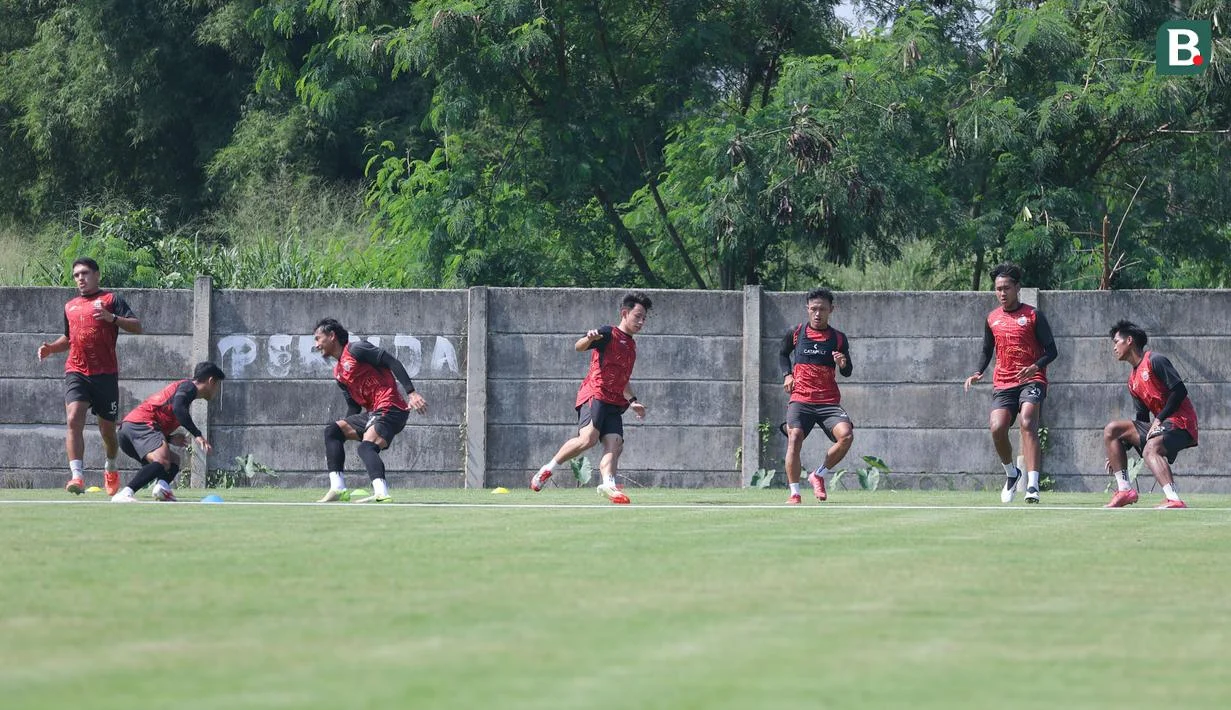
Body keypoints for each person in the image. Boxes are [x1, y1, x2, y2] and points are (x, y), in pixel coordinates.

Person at [530, 292, 652, 504]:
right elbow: (578, 347)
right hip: (595, 394)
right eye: (637, 316)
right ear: (624, 313)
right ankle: (548, 469)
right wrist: (589, 338)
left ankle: (609, 485)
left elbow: (622, 379)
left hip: (615, 401)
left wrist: (633, 401)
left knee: (615, 443)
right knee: (588, 439)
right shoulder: (607, 333)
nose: (641, 322)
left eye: (644, 318)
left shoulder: (631, 346)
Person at [37, 257, 143, 497]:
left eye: (84, 273)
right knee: (74, 418)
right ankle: (77, 476)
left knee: (107, 432)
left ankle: (111, 466)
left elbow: (138, 326)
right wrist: (51, 348)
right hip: (76, 371)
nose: (80, 278)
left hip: (105, 375)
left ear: (97, 275)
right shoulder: (70, 306)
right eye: (76, 275)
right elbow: (69, 338)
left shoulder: (111, 300)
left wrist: (113, 318)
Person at [964, 263, 1057, 504]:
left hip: (1031, 379)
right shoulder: (992, 319)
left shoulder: (1034, 315)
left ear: (1018, 287)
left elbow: (1052, 351)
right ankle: (1012, 474)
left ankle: (1033, 486)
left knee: (1027, 421)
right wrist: (977, 371)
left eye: (1006, 288)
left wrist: (1035, 367)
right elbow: (986, 350)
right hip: (1003, 382)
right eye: (997, 289)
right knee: (997, 427)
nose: (1002, 293)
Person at [313, 318, 428, 503]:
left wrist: (412, 393)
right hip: (374, 412)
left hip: (391, 407)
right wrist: (345, 428)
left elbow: (392, 362)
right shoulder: (339, 373)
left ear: (332, 336)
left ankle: (382, 492)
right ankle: (338, 489)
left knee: (366, 447)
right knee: (332, 431)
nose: (317, 345)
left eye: (318, 339)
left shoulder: (357, 349)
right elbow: (354, 406)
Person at [1102, 321, 1197, 509]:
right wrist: (1120, 448)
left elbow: (1180, 391)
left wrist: (1159, 419)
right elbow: (1142, 419)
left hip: (1182, 423)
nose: (1114, 348)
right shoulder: (1132, 381)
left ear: (1129, 341)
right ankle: (1125, 491)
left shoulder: (1155, 360)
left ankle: (1174, 499)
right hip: (1161, 426)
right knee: (1112, 430)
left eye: (1116, 341)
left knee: (1150, 449)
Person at [778, 288, 854, 505]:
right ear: (807, 309)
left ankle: (818, 474)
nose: (817, 313)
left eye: (822, 309)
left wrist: (843, 364)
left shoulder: (838, 338)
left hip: (828, 401)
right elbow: (783, 354)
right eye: (813, 309)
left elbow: (848, 371)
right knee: (794, 437)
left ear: (831, 309)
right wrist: (787, 375)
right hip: (801, 398)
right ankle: (794, 493)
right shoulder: (796, 332)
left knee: (846, 435)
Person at [111, 362, 225, 502]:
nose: (217, 390)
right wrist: (197, 434)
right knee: (163, 461)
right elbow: (178, 409)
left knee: (173, 461)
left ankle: (162, 488)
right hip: (139, 425)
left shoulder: (186, 391)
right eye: (218, 385)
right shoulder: (189, 387)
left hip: (129, 431)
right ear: (211, 381)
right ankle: (125, 493)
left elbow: (165, 413)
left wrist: (169, 439)